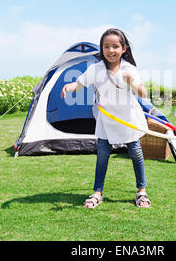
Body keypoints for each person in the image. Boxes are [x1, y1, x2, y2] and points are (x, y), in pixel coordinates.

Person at [61, 28, 151, 208]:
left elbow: (143, 93)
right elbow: (79, 84)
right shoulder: (96, 69)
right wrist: (68, 87)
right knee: (102, 155)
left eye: (115, 46)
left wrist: (130, 82)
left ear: (124, 48)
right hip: (106, 119)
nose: (111, 50)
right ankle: (97, 192)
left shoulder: (129, 69)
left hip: (127, 118)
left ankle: (141, 191)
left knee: (136, 154)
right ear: (101, 49)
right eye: (106, 46)